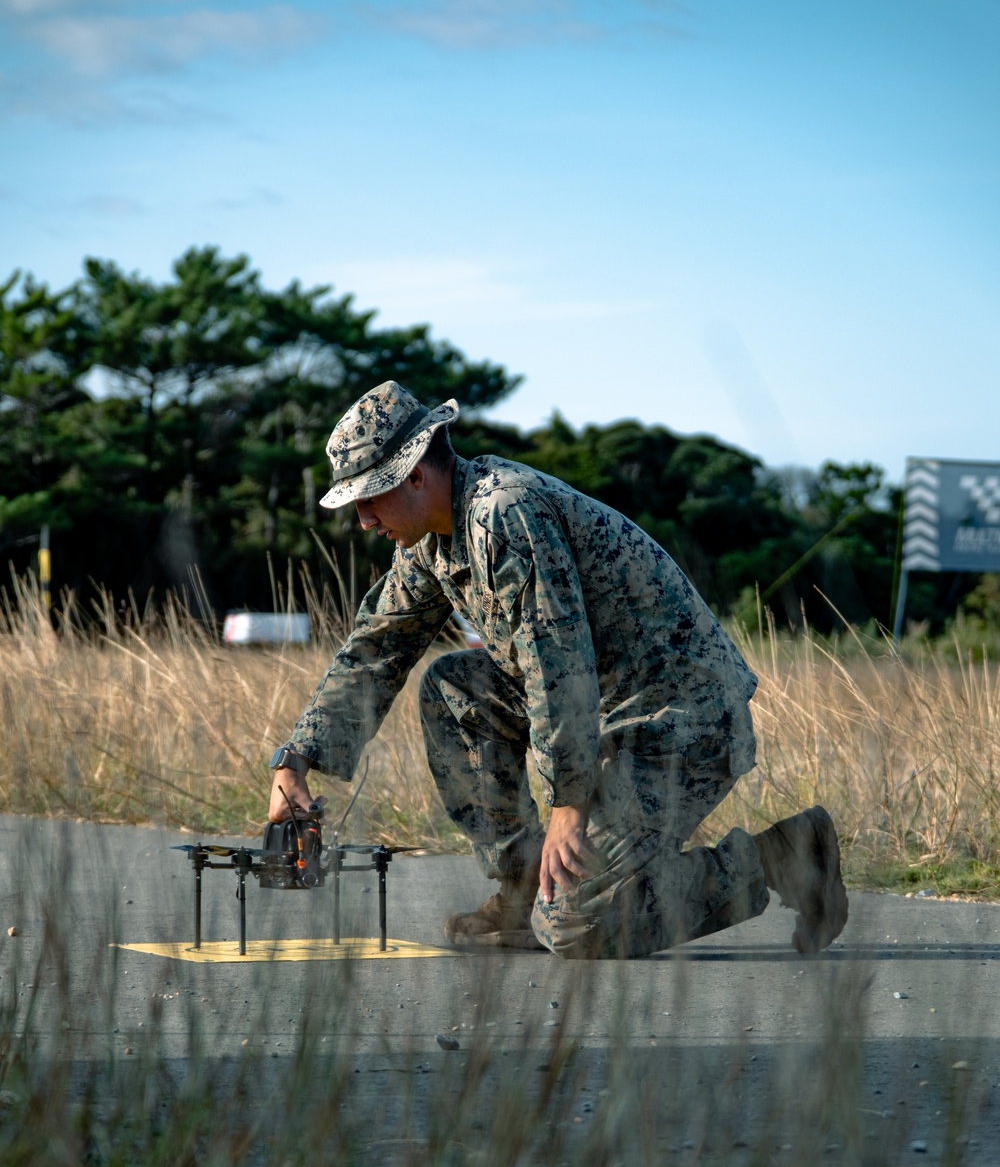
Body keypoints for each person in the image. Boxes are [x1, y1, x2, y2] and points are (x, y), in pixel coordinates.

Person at [268, 380, 848, 958]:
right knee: (453, 688)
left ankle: (787, 856)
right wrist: (296, 762)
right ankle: (524, 889)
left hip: (680, 720)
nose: (363, 519)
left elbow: (558, 665)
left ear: (416, 475)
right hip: (605, 712)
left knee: (574, 926)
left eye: (369, 498)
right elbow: (375, 649)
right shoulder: (428, 540)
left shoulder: (503, 513)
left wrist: (567, 806)